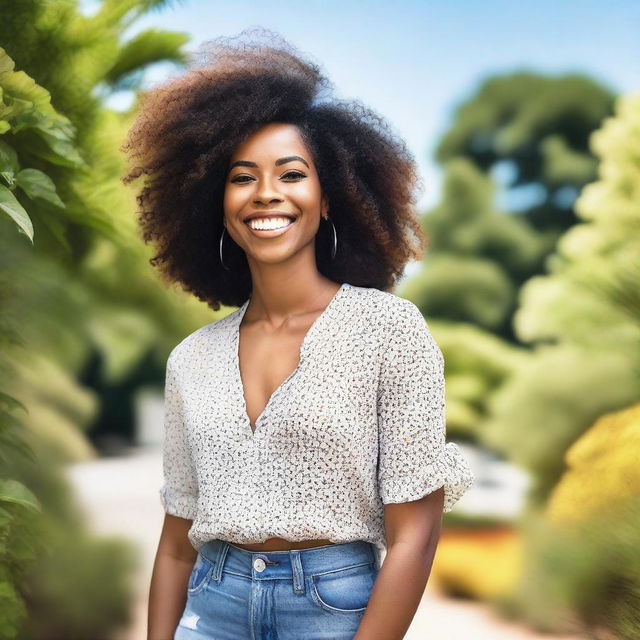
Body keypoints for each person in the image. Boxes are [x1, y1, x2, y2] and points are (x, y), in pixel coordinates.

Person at [122, 27, 475, 640]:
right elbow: (177, 541)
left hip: (334, 611)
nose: (266, 195)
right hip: (212, 606)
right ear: (215, 200)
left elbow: (415, 536)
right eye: (241, 177)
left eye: (291, 174)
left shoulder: (388, 331)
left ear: (329, 197)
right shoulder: (192, 358)